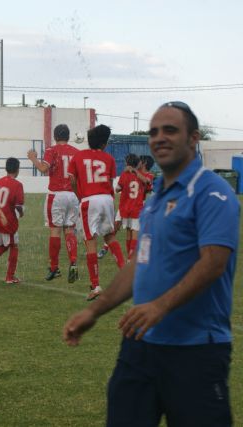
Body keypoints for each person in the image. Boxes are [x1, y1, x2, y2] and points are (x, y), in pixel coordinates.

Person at [63, 101, 239, 427]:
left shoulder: (213, 192)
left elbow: (214, 263)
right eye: (154, 131)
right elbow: (138, 263)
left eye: (170, 130)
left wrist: (160, 306)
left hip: (195, 351)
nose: (159, 137)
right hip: (140, 346)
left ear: (193, 138)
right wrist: (94, 311)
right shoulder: (156, 195)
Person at [68, 124, 125, 301]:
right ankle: (126, 273)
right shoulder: (109, 159)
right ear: (104, 143)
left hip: (89, 200)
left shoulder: (78, 157)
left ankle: (96, 285)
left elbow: (71, 179)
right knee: (109, 236)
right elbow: (110, 182)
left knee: (90, 240)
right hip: (106, 199)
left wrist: (80, 196)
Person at [27, 124, 80, 282]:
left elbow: (43, 168)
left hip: (56, 195)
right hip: (73, 195)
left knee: (55, 231)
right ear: (68, 136)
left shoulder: (52, 150)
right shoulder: (76, 153)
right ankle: (73, 261)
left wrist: (33, 158)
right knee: (69, 230)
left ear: (55, 136)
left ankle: (54, 267)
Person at [115, 153, 152, 258]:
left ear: (127, 163)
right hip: (137, 207)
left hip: (126, 207)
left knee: (128, 232)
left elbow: (117, 189)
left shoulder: (125, 174)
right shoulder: (142, 176)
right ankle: (130, 258)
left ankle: (129, 257)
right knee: (134, 231)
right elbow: (148, 185)